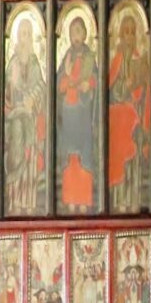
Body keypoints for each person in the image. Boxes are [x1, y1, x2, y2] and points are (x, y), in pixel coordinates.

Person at [108, 12, 151, 214]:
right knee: (120, 153)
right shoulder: (117, 60)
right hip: (118, 117)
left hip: (134, 118)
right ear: (120, 36)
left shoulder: (140, 61)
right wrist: (124, 88)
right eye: (126, 32)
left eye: (133, 32)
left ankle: (134, 198)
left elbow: (146, 93)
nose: (129, 37)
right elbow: (110, 91)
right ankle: (119, 200)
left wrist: (138, 87)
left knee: (133, 157)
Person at [56, 15, 98, 213]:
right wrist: (67, 82)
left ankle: (84, 199)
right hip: (69, 112)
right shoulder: (67, 57)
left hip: (83, 112)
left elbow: (96, 79)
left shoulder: (89, 57)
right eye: (73, 32)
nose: (76, 36)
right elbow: (59, 83)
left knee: (83, 155)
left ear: (85, 34)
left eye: (79, 31)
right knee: (71, 156)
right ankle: (71, 198)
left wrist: (88, 84)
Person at [4, 17, 46, 213]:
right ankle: (14, 201)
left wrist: (32, 99)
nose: (25, 38)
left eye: (29, 34)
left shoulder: (35, 63)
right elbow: (6, 93)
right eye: (22, 34)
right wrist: (13, 88)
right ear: (17, 38)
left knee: (30, 157)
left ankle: (29, 202)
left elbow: (41, 86)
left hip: (31, 116)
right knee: (17, 150)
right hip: (15, 118)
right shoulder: (12, 63)